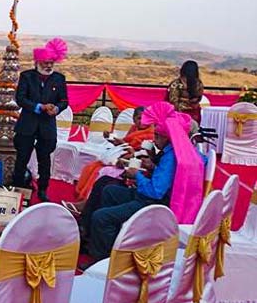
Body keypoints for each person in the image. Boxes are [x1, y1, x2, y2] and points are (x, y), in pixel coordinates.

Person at [87, 102, 206, 262]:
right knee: (109, 191)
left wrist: (137, 175)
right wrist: (153, 166)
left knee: (100, 217)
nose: (154, 139)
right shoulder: (178, 151)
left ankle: (104, 260)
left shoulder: (170, 157)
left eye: (156, 136)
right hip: (153, 198)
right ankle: (108, 241)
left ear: (166, 137)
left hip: (153, 204)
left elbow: (155, 191)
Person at [12, 38, 69, 202]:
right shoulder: (26, 76)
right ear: (37, 62)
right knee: (22, 158)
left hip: (47, 126)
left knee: (45, 160)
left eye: (51, 63)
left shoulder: (59, 78)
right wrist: (39, 107)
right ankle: (18, 190)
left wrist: (56, 109)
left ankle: (43, 190)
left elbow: (64, 101)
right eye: (45, 63)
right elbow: (20, 99)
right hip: (27, 125)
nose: (49, 66)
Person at [73, 106, 154, 202]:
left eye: (145, 118)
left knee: (101, 171)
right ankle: (84, 195)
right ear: (134, 119)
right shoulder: (134, 129)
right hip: (124, 157)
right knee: (92, 166)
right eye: (139, 118)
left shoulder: (151, 133)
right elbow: (126, 144)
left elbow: (143, 154)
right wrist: (112, 140)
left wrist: (126, 148)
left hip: (135, 164)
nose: (142, 121)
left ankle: (87, 201)